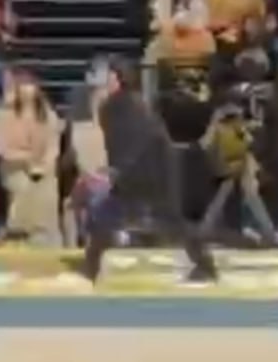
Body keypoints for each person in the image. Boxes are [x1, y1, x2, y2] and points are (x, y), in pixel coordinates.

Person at [81, 58, 218, 285]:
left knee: (113, 216)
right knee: (117, 217)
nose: (103, 81)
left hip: (148, 167)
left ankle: (90, 268)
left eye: (109, 76)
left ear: (119, 78)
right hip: (151, 166)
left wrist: (117, 170)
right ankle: (90, 267)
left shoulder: (120, 104)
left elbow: (130, 141)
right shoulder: (127, 102)